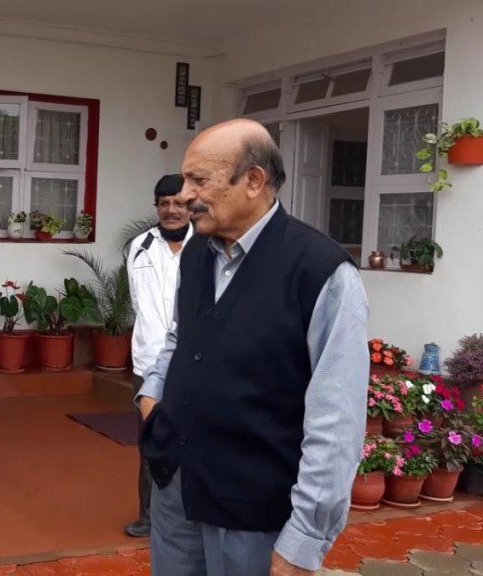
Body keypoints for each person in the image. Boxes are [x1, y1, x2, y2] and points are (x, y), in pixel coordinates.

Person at [136, 119, 369, 576]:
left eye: (199, 180)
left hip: (253, 511)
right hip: (177, 488)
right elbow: (180, 337)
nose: (184, 194)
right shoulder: (199, 252)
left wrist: (303, 541)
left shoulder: (321, 272)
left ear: (254, 181)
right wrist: (152, 394)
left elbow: (336, 419)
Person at [123, 174, 193, 538]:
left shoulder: (208, 245)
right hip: (149, 362)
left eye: (179, 203)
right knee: (150, 440)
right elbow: (139, 303)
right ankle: (149, 516)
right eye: (164, 203)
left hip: (196, 363)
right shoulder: (139, 247)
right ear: (156, 206)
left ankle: (192, 513)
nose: (171, 210)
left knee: (196, 437)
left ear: (191, 205)